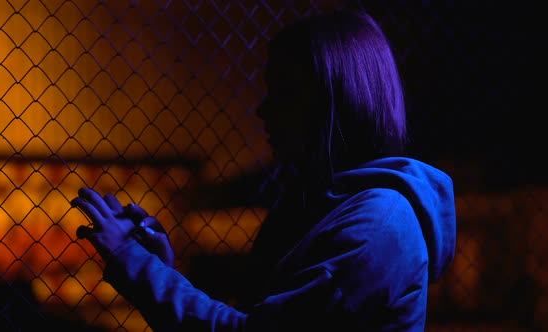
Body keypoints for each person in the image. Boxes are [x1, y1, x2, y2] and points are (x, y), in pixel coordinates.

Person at [71, 9, 456, 331]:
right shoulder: (311, 206)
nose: (263, 110)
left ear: (335, 101)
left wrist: (134, 263)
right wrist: (158, 269)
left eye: (284, 92)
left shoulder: (379, 225)